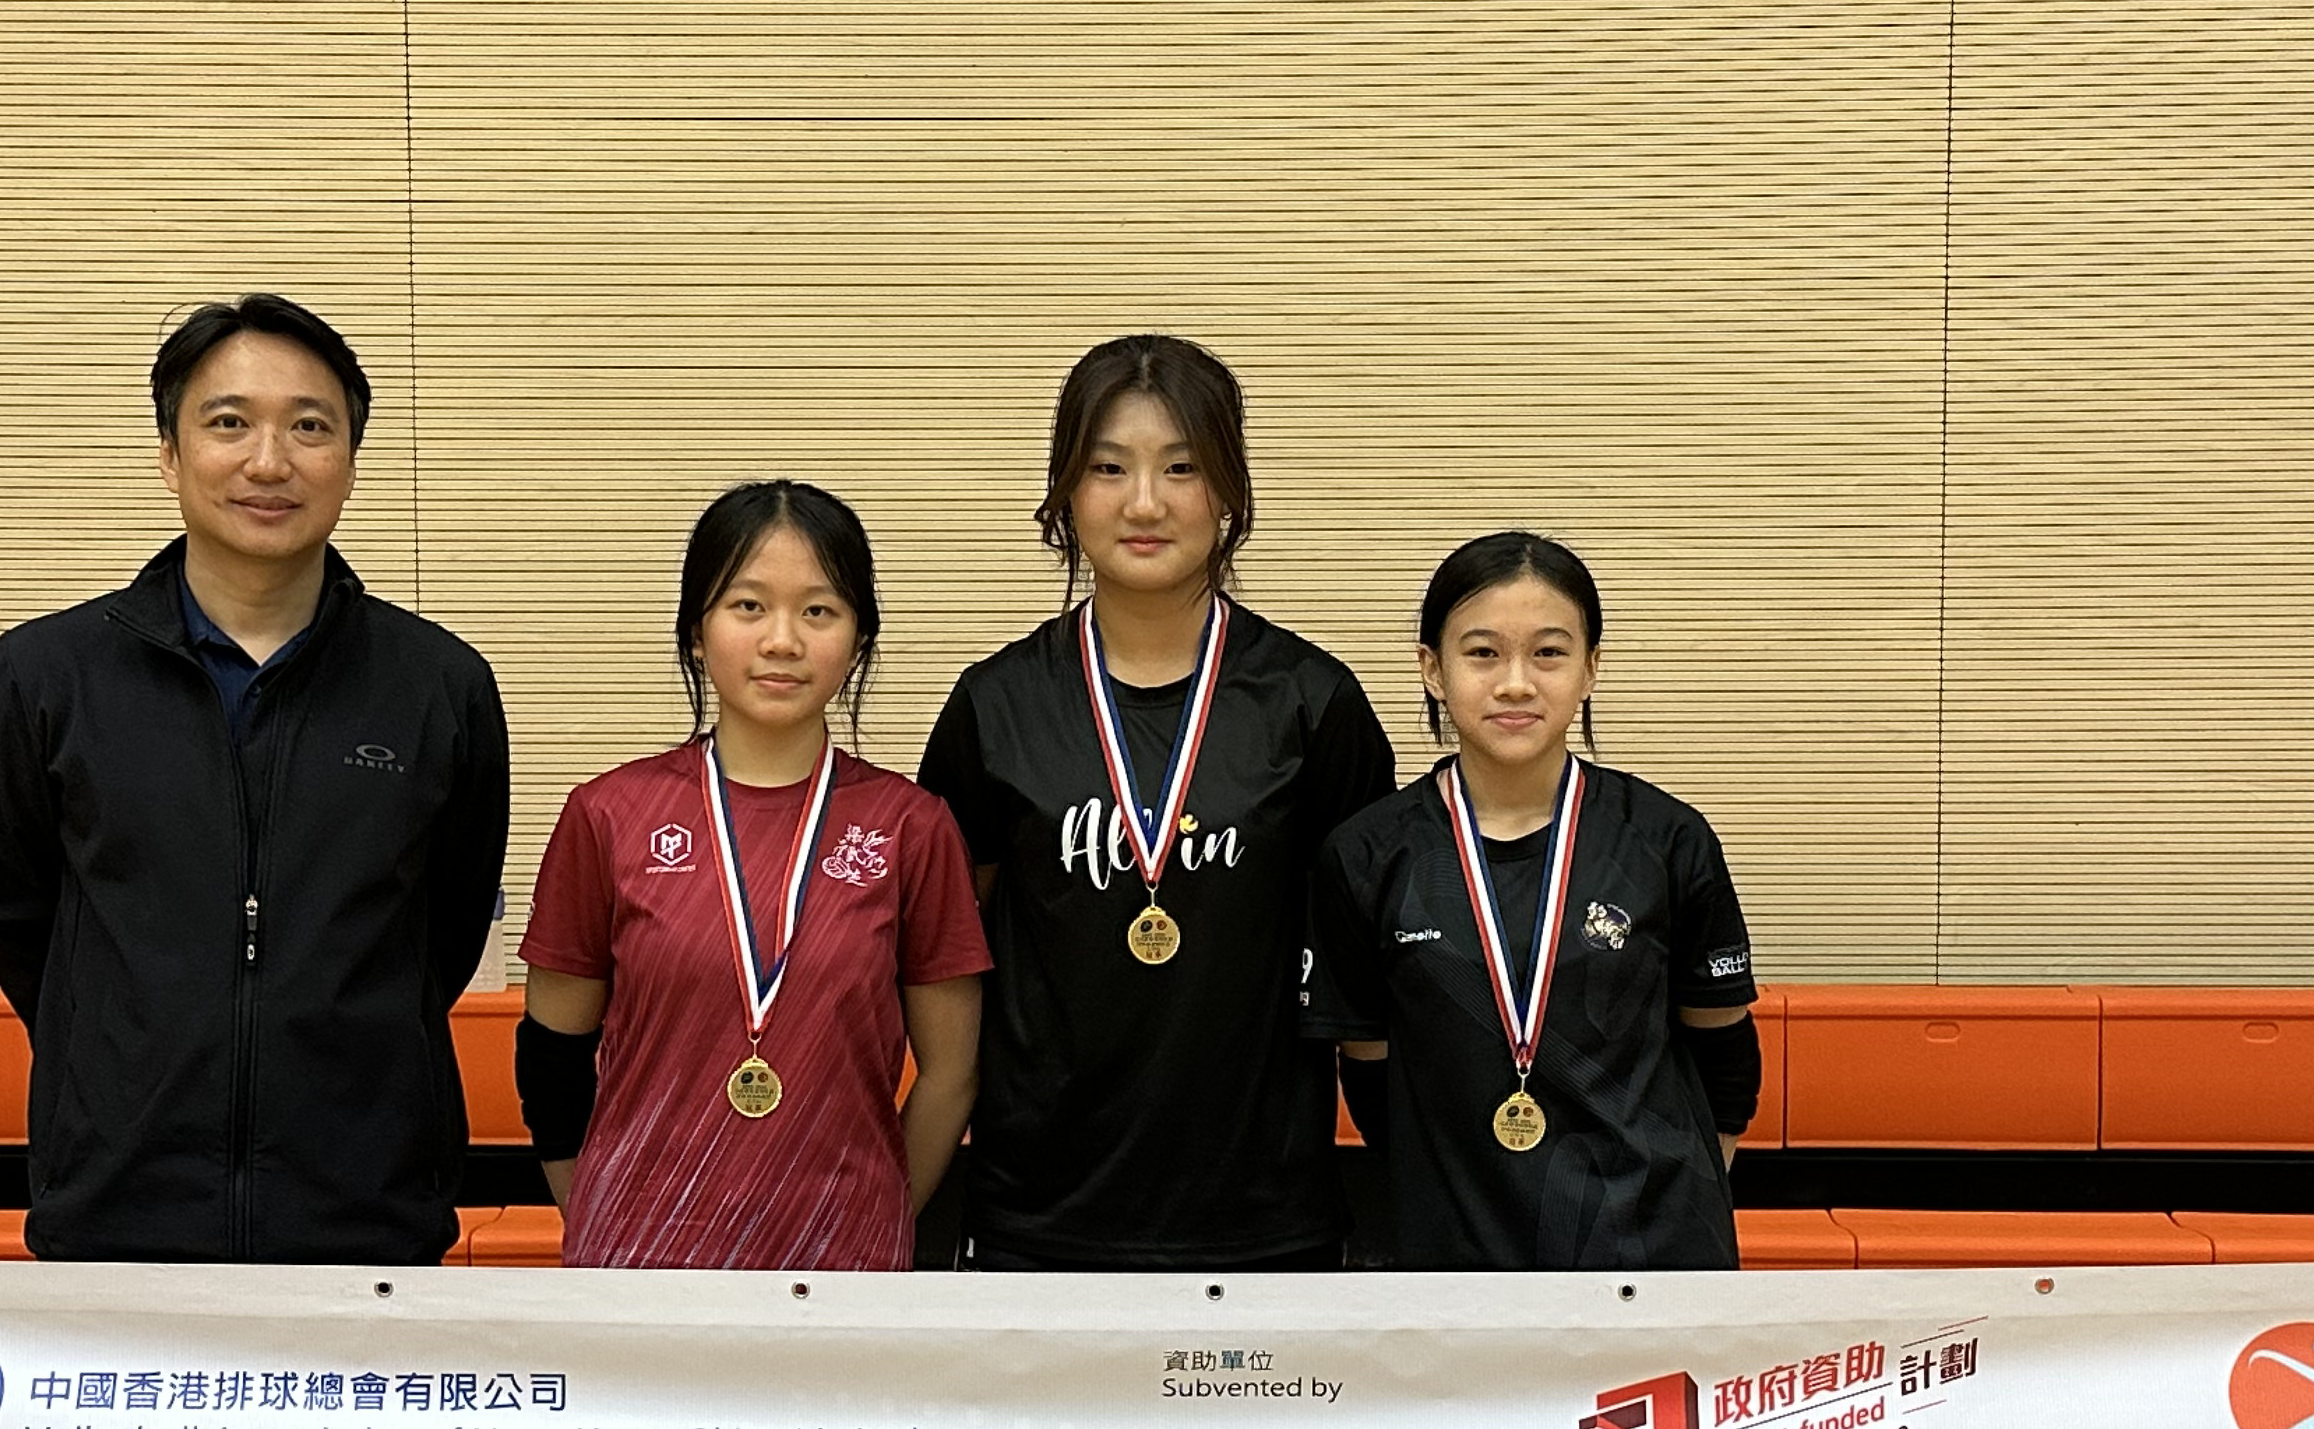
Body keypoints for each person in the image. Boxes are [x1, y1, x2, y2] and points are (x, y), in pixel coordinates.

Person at [0, 294, 510, 1264]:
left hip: (365, 1218)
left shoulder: (439, 687)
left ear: (350, 460)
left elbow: (445, 932)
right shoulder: (41, 680)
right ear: (170, 454)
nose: (268, 462)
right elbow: (23, 926)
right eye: (228, 423)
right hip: (119, 1213)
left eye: (310, 427)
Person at [917, 335, 1394, 1271]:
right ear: (1065, 491)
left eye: (1182, 467)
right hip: (1037, 1220)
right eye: (1108, 468)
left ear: (1229, 491)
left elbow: (1366, 966)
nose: (1144, 502)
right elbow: (947, 954)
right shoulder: (996, 706)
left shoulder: (1312, 704)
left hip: (1263, 1220)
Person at [516, 481, 985, 1269]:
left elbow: (952, 1073)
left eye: (819, 611)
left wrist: (874, 1221)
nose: (782, 640)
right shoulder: (608, 816)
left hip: (844, 1273)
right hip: (638, 1265)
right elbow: (552, 1056)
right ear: (697, 632)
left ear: (858, 639)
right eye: (748, 606)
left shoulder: (910, 828)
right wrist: (604, 1212)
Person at [1305, 533, 1760, 1268]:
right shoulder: (1367, 855)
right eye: (1483, 653)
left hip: (1648, 1255)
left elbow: (1724, 1053)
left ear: (1590, 669)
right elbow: (1369, 1069)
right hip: (1454, 1257)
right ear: (1433, 669)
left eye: (1548, 652)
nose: (1515, 683)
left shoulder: (1667, 840)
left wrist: (1674, 1201)